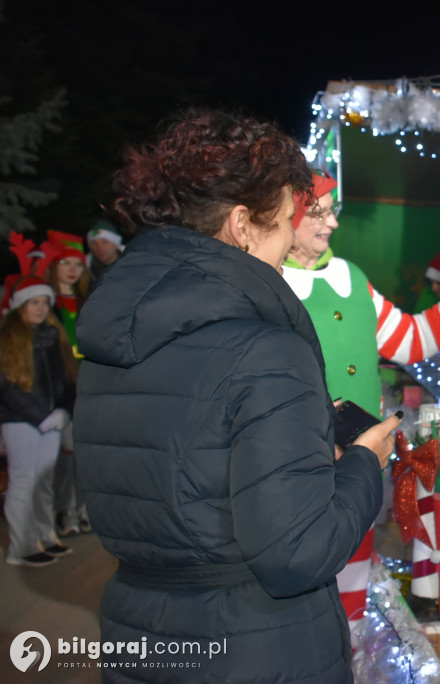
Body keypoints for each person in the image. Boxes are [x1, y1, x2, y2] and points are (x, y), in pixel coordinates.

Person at [74, 109, 400, 683]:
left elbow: (187, 477)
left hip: (140, 631)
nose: (289, 244)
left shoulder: (113, 340)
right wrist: (363, 468)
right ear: (244, 223)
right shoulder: (268, 350)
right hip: (254, 646)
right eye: (284, 221)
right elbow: (296, 554)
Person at [281, 173, 440, 634]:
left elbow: (413, 339)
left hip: (359, 456)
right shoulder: (266, 281)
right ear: (285, 217)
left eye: (334, 209)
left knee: (353, 558)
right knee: (302, 571)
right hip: (297, 457)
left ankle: (347, 647)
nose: (332, 221)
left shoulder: (350, 277)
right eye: (319, 212)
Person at [0, 274, 77, 567]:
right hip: (21, 421)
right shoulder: (8, 338)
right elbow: (6, 385)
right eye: (34, 302)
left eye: (45, 302)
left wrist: (64, 411)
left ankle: (45, 537)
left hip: (53, 420)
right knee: (23, 482)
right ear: (21, 305)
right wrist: (40, 416)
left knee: (43, 482)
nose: (41, 308)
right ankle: (20, 547)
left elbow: (69, 378)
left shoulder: (53, 335)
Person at [44, 230, 91, 536]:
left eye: (77, 262)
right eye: (65, 262)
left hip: (90, 386)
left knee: (89, 455)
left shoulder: (90, 300)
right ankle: (67, 512)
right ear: (53, 266)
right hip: (63, 391)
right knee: (68, 456)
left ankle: (87, 510)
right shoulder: (44, 305)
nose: (72, 269)